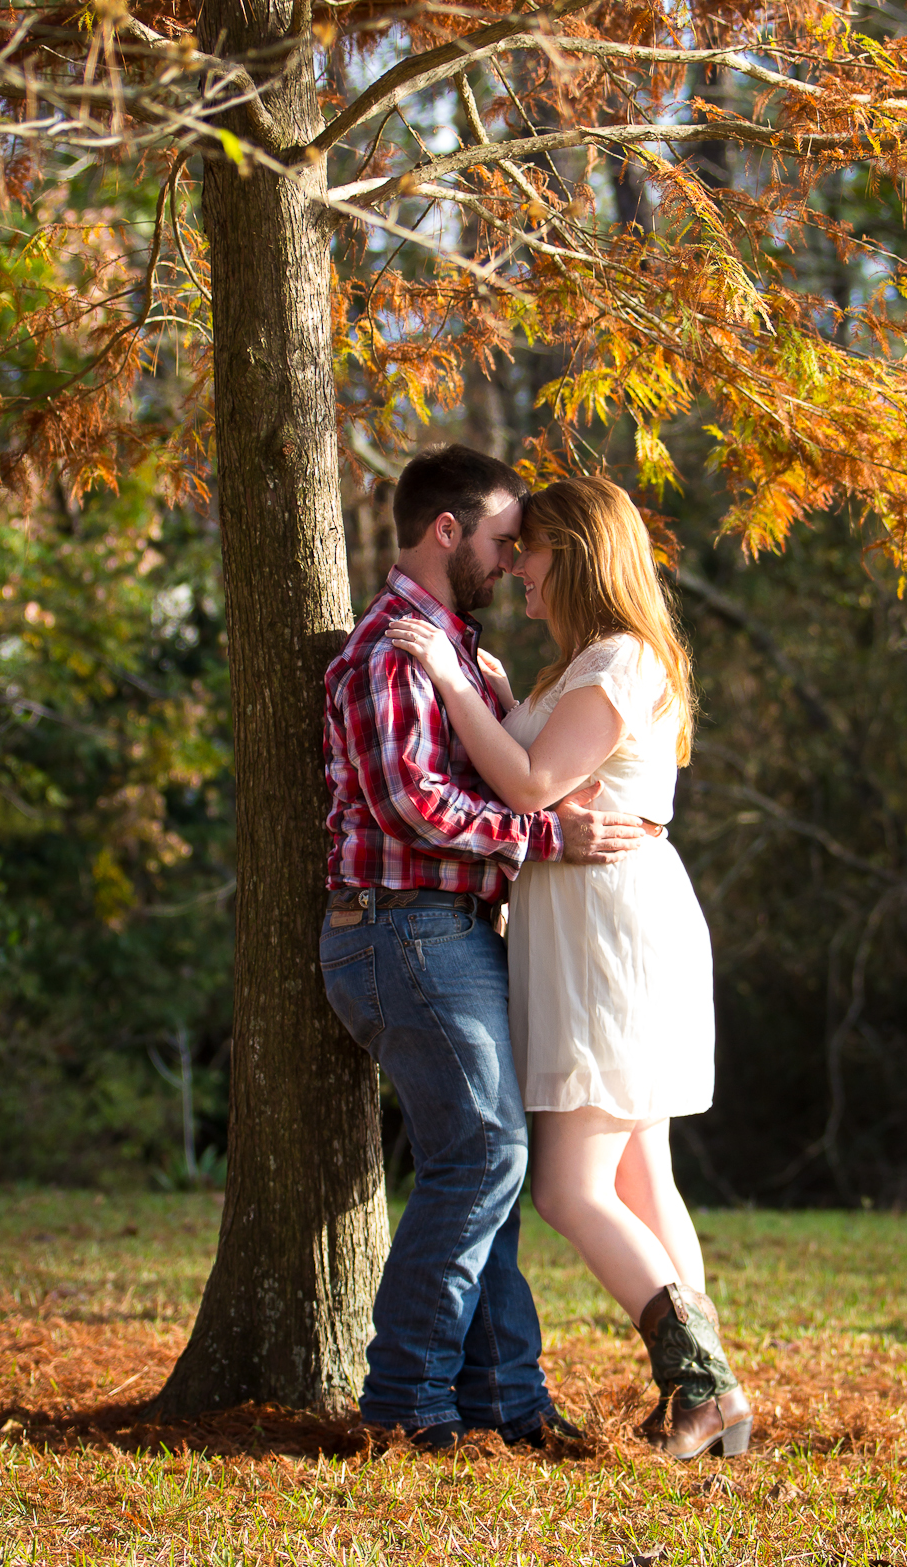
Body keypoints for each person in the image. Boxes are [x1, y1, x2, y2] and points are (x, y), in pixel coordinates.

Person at [387, 475, 751, 1460]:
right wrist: (506, 698)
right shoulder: (579, 668)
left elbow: (535, 783)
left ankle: (705, 1387)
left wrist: (459, 688)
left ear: (577, 551)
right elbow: (543, 768)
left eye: (531, 550)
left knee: (571, 1187)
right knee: (640, 1170)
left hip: (607, 928)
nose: (516, 568)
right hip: (590, 917)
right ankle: (713, 1394)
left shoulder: (617, 660)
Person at [319, 445, 649, 1449]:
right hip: (400, 930)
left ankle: (506, 1397)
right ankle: (408, 1402)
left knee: (484, 1163)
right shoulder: (389, 650)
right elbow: (414, 803)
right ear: (448, 531)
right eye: (504, 542)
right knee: (490, 1154)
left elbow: (498, 766)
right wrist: (553, 835)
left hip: (445, 931)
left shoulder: (449, 649)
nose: (513, 563)